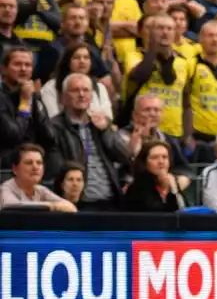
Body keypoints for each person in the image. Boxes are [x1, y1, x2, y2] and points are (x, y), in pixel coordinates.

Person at [39, 72, 131, 209]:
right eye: (75, 90)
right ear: (63, 98)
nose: (81, 94)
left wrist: (106, 130)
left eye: (86, 90)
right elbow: (55, 170)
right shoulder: (54, 128)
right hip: (77, 203)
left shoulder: (101, 124)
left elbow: (125, 156)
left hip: (110, 200)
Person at [39, 42, 114, 120]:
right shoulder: (51, 87)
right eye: (77, 57)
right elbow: (52, 118)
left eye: (86, 57)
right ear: (68, 62)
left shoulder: (100, 88)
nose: (82, 61)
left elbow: (107, 118)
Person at [1, 143, 75, 211]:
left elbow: (69, 206)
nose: (35, 167)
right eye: (29, 163)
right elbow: (10, 206)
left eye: (39, 163)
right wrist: (52, 206)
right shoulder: (5, 189)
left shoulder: (41, 190)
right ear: (15, 169)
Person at [122, 139, 187, 212]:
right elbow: (158, 213)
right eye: (155, 157)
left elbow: (183, 209)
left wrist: (173, 189)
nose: (161, 161)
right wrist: (165, 187)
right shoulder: (138, 186)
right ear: (144, 162)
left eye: (165, 157)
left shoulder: (172, 180)